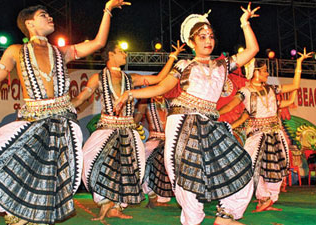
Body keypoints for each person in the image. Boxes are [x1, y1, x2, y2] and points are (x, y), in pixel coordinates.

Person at [0, 1, 129, 224]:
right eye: (43, 15)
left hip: (61, 122)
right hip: (32, 119)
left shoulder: (61, 52)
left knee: (52, 176)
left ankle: (34, 216)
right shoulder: (16, 51)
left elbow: (98, 43)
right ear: (29, 23)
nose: (50, 18)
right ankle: (16, 210)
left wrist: (107, 10)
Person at [114, 3, 260, 225]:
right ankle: (192, 220)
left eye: (210, 36)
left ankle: (226, 216)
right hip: (184, 121)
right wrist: (131, 93)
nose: (208, 40)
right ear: (192, 42)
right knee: (186, 175)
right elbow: (162, 88)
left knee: (239, 163)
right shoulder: (184, 64)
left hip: (211, 123)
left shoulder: (222, 65)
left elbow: (252, 51)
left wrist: (244, 24)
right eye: (202, 37)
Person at [72, 40, 185, 221]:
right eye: (121, 52)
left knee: (128, 168)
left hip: (127, 130)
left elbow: (158, 79)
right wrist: (63, 107)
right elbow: (81, 98)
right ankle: (105, 203)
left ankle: (116, 207)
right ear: (110, 54)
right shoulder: (98, 78)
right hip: (106, 128)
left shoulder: (130, 78)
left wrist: (172, 57)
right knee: (92, 161)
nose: (125, 55)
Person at [219, 49, 313, 212]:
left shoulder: (272, 89)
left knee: (276, 167)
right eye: (264, 71)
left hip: (275, 134)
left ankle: (269, 199)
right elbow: (231, 106)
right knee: (250, 165)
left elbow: (295, 86)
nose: (267, 73)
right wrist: (215, 113)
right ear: (255, 72)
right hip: (257, 134)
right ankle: (262, 197)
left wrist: (298, 64)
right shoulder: (245, 92)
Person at [134, 95, 173, 208]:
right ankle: (152, 197)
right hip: (154, 138)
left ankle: (161, 198)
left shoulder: (168, 101)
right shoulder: (145, 101)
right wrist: (130, 126)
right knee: (145, 166)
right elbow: (138, 117)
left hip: (168, 139)